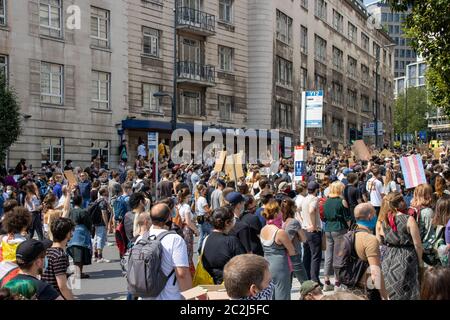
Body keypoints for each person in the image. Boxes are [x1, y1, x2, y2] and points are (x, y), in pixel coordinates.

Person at [377, 192, 423, 300]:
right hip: (406, 256)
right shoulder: (409, 219)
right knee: (407, 289)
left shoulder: (384, 220)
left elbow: (381, 239)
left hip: (389, 255)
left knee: (391, 285)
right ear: (399, 202)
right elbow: (417, 244)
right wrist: (420, 262)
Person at [142, 203, 192, 300]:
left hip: (146, 296)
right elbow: (182, 274)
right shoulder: (175, 240)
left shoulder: (141, 238)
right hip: (170, 295)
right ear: (169, 218)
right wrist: (190, 298)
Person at [260, 200, 304, 300]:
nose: (281, 213)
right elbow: (292, 251)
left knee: (271, 295)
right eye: (280, 211)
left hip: (267, 265)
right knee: (283, 294)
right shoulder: (279, 232)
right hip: (281, 266)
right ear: (276, 214)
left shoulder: (263, 229)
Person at [202, 207, 246, 285]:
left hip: (211, 284)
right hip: (230, 285)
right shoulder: (232, 241)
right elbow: (244, 265)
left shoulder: (206, 239)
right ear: (227, 223)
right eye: (233, 219)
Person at [322, 181, 352, 291]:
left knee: (328, 255)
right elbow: (347, 218)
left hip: (328, 228)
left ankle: (326, 280)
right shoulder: (341, 201)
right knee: (339, 255)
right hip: (339, 228)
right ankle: (337, 282)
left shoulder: (326, 201)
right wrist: (350, 229)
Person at [42, 217, 75, 300]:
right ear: (67, 234)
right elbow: (62, 286)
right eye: (71, 231)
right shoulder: (59, 256)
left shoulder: (47, 251)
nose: (72, 233)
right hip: (56, 296)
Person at [281, 197, 308, 284]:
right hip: (294, 255)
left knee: (288, 285)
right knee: (305, 283)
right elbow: (304, 239)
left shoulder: (283, 222)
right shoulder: (294, 222)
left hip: (285, 256)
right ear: (292, 208)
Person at [300, 181, 322, 284]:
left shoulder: (304, 199)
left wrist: (303, 221)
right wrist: (313, 225)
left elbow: (298, 209)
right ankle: (314, 280)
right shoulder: (314, 198)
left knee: (307, 255)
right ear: (316, 190)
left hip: (305, 229)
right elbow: (311, 210)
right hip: (313, 230)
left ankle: (307, 278)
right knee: (315, 256)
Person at [67, 195, 92, 279]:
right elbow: (88, 223)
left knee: (76, 255)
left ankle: (78, 272)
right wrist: (91, 231)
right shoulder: (83, 212)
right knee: (79, 255)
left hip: (72, 233)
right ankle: (79, 273)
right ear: (81, 201)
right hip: (81, 234)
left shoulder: (70, 211)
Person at [176, 188, 199, 274]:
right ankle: (189, 272)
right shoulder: (186, 207)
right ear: (187, 196)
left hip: (180, 229)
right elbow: (188, 221)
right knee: (189, 252)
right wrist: (196, 230)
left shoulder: (178, 206)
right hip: (187, 230)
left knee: (183, 251)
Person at [92, 188, 111, 263]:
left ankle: (95, 256)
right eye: (107, 191)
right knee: (100, 239)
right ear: (104, 193)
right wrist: (106, 224)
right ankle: (100, 257)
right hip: (101, 223)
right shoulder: (103, 201)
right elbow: (104, 213)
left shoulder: (98, 200)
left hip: (96, 222)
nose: (108, 192)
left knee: (96, 238)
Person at [195, 184, 212, 255]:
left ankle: (200, 249)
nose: (206, 190)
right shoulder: (203, 199)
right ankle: (200, 249)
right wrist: (211, 208)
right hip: (203, 218)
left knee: (202, 234)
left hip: (199, 217)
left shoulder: (198, 198)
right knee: (209, 233)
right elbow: (207, 210)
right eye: (205, 189)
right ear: (202, 191)